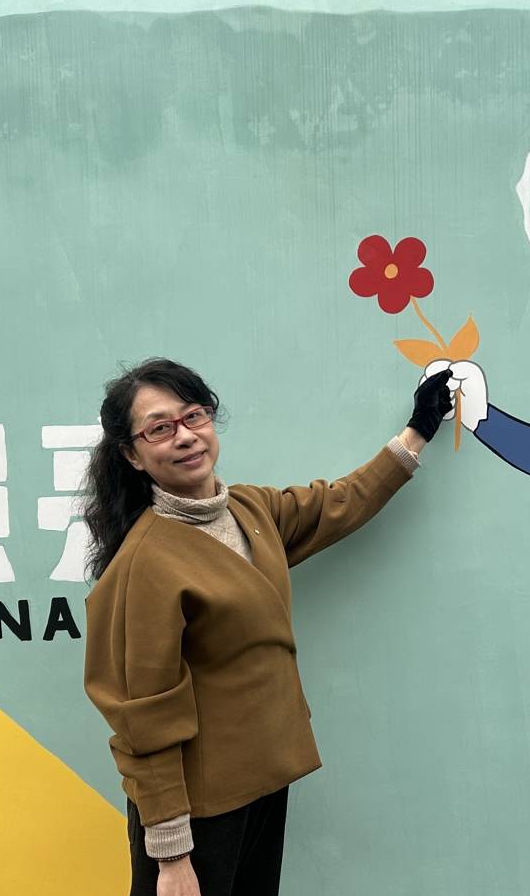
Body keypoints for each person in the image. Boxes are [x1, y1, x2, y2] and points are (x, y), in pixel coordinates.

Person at [82, 357, 454, 896]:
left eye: (193, 416)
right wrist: (171, 856)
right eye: (159, 428)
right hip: (199, 812)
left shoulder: (249, 511)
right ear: (132, 455)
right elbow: (143, 718)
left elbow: (338, 504)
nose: (184, 436)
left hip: (263, 781)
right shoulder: (143, 564)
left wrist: (416, 432)